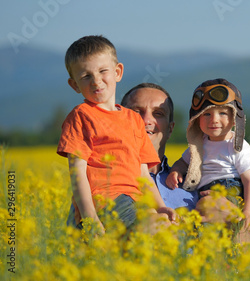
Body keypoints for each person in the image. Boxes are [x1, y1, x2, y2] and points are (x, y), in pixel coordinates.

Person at [57, 35, 176, 234]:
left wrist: (160, 206)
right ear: (75, 85)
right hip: (105, 201)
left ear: (118, 72)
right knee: (156, 231)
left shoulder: (133, 119)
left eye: (103, 71)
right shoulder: (81, 116)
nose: (96, 81)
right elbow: (77, 174)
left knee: (165, 228)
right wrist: (90, 219)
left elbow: (143, 174)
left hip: (135, 200)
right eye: (86, 76)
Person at [166, 78, 250, 244]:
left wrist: (248, 213)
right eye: (206, 114)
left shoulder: (237, 146)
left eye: (222, 113)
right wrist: (175, 171)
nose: (214, 119)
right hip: (206, 194)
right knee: (219, 237)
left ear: (235, 117)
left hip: (231, 192)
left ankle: (245, 263)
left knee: (236, 230)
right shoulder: (199, 145)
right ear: (196, 118)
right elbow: (182, 162)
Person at [121, 83, 199, 211]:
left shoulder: (193, 185)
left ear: (170, 129)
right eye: (136, 112)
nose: (146, 120)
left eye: (158, 113)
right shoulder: (99, 182)